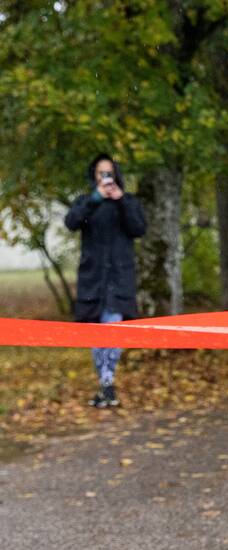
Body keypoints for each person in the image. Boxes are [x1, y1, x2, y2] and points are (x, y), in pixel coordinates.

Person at [63, 154, 147, 408]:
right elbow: (71, 222)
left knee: (114, 330)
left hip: (119, 279)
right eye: (101, 173)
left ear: (117, 174)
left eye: (109, 173)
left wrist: (121, 201)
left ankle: (107, 383)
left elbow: (138, 229)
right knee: (97, 336)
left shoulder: (128, 202)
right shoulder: (86, 203)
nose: (105, 178)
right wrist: (95, 199)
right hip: (94, 279)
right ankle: (106, 385)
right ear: (95, 176)